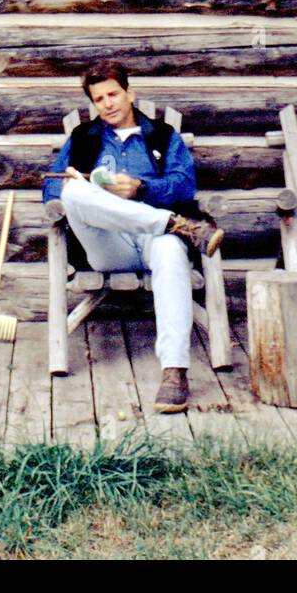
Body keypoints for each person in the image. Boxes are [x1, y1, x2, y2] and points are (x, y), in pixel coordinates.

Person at [44, 60, 223, 414]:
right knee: (72, 190)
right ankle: (174, 224)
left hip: (153, 242)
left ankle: (174, 371)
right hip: (107, 244)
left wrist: (141, 188)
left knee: (171, 252)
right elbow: (52, 189)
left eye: (113, 94)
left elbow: (185, 184)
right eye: (99, 99)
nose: (107, 104)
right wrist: (92, 192)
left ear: (130, 93)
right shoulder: (83, 138)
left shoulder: (162, 136)